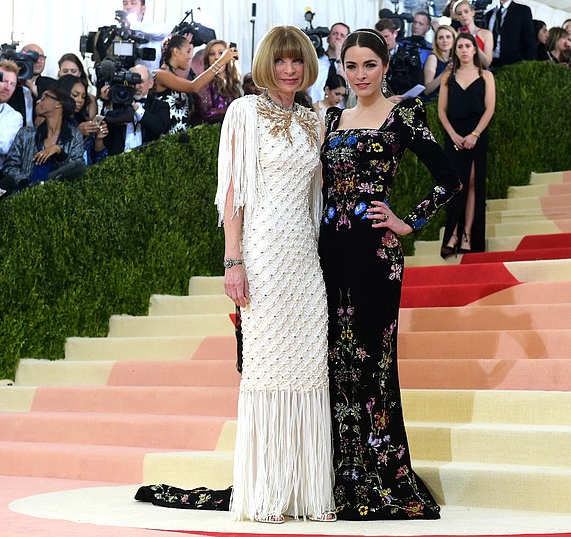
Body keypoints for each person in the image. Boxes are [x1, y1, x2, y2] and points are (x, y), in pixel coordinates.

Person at [319, 28, 460, 520]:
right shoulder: (332, 118)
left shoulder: (404, 115)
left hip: (376, 256)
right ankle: (339, 468)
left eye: (369, 66)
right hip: (329, 254)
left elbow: (450, 178)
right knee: (336, 361)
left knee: (373, 362)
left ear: (385, 65)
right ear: (341, 68)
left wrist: (408, 221)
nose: (360, 75)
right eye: (351, 66)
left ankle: (380, 473)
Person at [216, 25, 335, 524]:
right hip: (261, 258)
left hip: (305, 261)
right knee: (266, 371)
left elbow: (318, 201)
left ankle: (308, 494)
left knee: (309, 371)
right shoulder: (242, 112)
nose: (290, 70)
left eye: (298, 62)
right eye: (281, 61)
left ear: (308, 66)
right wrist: (233, 260)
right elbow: (233, 194)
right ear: (267, 64)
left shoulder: (314, 122)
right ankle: (266, 493)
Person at [437, 32, 495, 256]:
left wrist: (475, 134)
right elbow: (441, 111)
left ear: (474, 49)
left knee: (473, 184)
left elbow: (489, 108)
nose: (463, 50)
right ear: (455, 50)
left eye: (468, 46)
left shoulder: (486, 76)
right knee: (455, 186)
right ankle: (452, 234)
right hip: (454, 135)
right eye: (459, 46)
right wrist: (452, 135)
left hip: (476, 134)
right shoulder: (447, 77)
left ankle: (468, 236)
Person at [1, 89, 85, 190]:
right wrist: (26, 184)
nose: (38, 101)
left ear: (58, 104)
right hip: (23, 197)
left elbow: (76, 171)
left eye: (44, 97)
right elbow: (9, 166)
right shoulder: (26, 134)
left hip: (56, 197)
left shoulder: (74, 137)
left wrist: (59, 153)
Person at [152, 33, 237, 134]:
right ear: (175, 51)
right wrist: (221, 61)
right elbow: (194, 86)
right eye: (188, 51)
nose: (189, 57)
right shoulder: (160, 74)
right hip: (165, 142)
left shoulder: (174, 76)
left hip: (179, 141)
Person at [102, 65, 170, 155]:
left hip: (148, 160)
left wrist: (136, 108)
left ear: (150, 83)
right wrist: (108, 103)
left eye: (140, 82)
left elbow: (159, 127)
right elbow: (107, 131)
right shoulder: (117, 103)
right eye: (133, 82)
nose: (137, 86)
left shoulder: (160, 106)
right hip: (118, 161)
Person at [55, 75, 107, 165]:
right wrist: (77, 133)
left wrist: (99, 139)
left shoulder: (82, 120)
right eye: (75, 95)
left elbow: (99, 161)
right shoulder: (55, 121)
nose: (80, 100)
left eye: (83, 97)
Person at [193, 40, 242, 125]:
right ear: (207, 59)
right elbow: (207, 113)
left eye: (221, 53)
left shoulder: (232, 81)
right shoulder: (205, 83)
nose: (216, 57)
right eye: (212, 54)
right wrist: (235, 110)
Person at [8, 43, 56, 126]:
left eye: (41, 57)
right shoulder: (9, 84)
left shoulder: (52, 84)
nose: (38, 61)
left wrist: (31, 86)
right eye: (33, 58)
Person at [375, 18, 423, 98]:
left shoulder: (410, 53)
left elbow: (417, 79)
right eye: (380, 38)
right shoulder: (374, 57)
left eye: (386, 36)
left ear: (395, 34)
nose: (384, 41)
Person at [485, 0, 537, 68]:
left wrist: (529, 65)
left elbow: (530, 40)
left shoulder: (522, 11)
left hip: (512, 63)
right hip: (489, 61)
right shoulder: (490, 13)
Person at [309, 22, 350, 105]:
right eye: (335, 34)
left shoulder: (348, 66)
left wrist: (339, 59)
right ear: (328, 38)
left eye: (342, 35)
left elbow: (347, 88)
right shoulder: (315, 62)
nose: (338, 37)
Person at [57, 53, 98, 120]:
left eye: (73, 71)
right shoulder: (52, 95)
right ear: (59, 73)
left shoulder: (90, 99)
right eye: (65, 71)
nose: (69, 74)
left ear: (80, 73)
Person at [452, 0, 493, 68]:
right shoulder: (455, 35)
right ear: (457, 18)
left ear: (473, 12)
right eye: (460, 14)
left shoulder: (486, 34)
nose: (463, 15)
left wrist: (473, 43)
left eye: (466, 11)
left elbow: (487, 63)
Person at [422, 25, 457, 101]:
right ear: (436, 42)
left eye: (448, 37)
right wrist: (445, 73)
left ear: (454, 39)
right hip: (433, 102)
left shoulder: (457, 58)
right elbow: (427, 90)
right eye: (441, 38)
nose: (445, 40)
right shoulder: (432, 58)